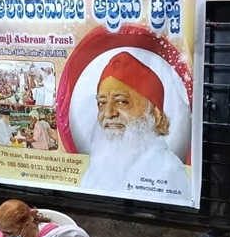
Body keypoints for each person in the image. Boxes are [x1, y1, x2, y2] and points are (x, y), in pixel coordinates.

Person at [80, 52, 192, 198]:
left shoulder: (168, 171)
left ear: (155, 115)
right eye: (101, 103)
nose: (108, 113)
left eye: (121, 101)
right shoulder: (95, 166)